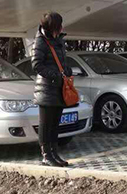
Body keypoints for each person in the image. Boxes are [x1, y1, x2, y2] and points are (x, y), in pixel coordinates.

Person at [32, 11, 73, 167]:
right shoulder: (40, 41)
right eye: (59, 25)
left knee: (55, 123)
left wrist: (67, 70)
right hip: (46, 89)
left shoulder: (58, 40)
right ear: (53, 26)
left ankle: (54, 153)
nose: (62, 27)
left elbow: (62, 61)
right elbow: (37, 65)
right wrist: (55, 75)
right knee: (46, 124)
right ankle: (46, 155)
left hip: (59, 88)